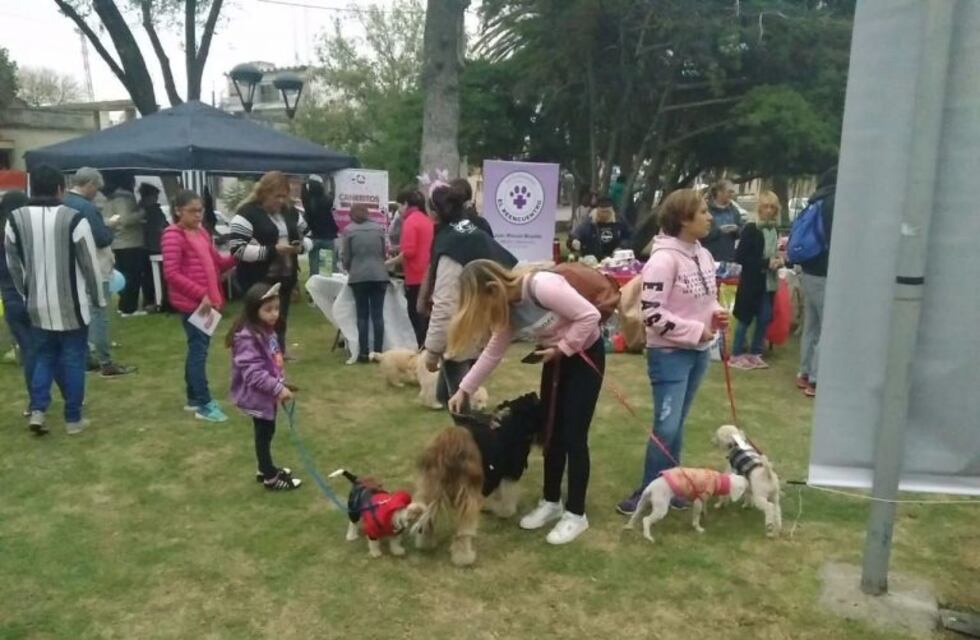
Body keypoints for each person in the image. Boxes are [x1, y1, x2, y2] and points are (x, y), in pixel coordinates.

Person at [446, 260, 604, 545]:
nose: (486, 314)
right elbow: (493, 352)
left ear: (494, 288)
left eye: (483, 305)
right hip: (554, 359)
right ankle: (551, 501)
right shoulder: (508, 309)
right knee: (551, 431)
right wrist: (464, 389)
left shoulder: (541, 287)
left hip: (584, 356)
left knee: (574, 436)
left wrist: (563, 348)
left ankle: (576, 513)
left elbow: (589, 316)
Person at [616, 189, 728, 515]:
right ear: (683, 219)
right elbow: (652, 315)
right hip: (669, 355)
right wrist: (695, 331)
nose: (710, 217)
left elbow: (706, 300)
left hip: (698, 352)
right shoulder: (662, 260)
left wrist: (716, 314)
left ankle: (673, 486)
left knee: (678, 424)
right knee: (666, 427)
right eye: (704, 212)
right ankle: (648, 493)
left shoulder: (703, 254)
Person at [4, 165, 105, 435]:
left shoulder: (15, 219)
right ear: (60, 189)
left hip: (36, 304)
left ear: (32, 188)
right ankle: (73, 419)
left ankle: (38, 410)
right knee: (72, 358)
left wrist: (25, 292)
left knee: (43, 357)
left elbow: (12, 263)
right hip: (71, 304)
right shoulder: (73, 218)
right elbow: (89, 264)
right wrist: (98, 298)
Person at [420, 182, 516, 405]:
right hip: (486, 319)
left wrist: (432, 351)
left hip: (466, 326)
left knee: (461, 406)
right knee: (447, 396)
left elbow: (445, 303)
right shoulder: (473, 231)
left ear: (433, 212)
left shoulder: (451, 244)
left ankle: (471, 433)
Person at [162, 190, 237, 423]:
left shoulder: (202, 232)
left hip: (210, 301)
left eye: (200, 210)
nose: (197, 215)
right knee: (199, 351)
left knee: (198, 348)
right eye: (192, 211)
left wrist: (238, 255)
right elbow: (171, 273)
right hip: (193, 304)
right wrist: (200, 293)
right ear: (178, 211)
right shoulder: (173, 235)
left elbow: (216, 262)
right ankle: (203, 404)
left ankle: (193, 398)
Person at [227, 282, 302, 491]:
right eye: (268, 310)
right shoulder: (247, 338)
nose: (274, 314)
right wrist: (277, 389)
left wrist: (280, 383)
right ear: (254, 310)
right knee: (264, 432)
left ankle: (264, 467)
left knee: (267, 432)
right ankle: (269, 477)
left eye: (276, 308)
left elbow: (271, 361)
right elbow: (253, 374)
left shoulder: (266, 331)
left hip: (267, 394)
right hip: (257, 396)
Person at [229, 171, 310, 358]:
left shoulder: (290, 212)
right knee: (257, 318)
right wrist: (272, 251)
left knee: (280, 316)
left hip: (286, 275)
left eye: (284, 196)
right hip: (258, 279)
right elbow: (238, 250)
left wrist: (301, 247)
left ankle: (279, 350)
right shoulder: (246, 214)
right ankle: (254, 353)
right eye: (277, 196)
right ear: (264, 193)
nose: (281, 201)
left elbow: (307, 235)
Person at [65, 168, 134, 377]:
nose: (98, 193)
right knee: (98, 312)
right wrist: (111, 227)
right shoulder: (87, 207)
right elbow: (102, 239)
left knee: (79, 314)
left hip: (72, 266)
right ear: (90, 185)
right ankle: (106, 362)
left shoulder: (64, 203)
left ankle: (85, 358)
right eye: (97, 188)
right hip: (95, 267)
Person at [730, 190, 784, 370]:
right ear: (759, 208)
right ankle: (736, 353)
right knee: (745, 318)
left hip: (768, 282)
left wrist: (778, 260)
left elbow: (772, 252)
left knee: (765, 317)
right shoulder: (752, 229)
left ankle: (755, 352)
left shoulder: (773, 230)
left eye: (772, 208)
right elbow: (741, 257)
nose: (769, 211)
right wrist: (765, 263)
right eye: (766, 207)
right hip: (752, 281)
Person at [795, 167, 836, 398]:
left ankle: (803, 371)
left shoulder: (815, 201)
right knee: (826, 326)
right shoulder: (833, 202)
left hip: (808, 268)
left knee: (811, 326)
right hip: (824, 269)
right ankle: (816, 379)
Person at [341, 203, 388, 363]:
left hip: (358, 276)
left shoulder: (349, 231)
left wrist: (350, 268)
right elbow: (384, 253)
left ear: (352, 215)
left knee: (362, 316)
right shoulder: (379, 229)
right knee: (378, 315)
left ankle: (363, 352)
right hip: (379, 275)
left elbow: (346, 257)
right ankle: (379, 352)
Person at [385, 189, 433, 347]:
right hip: (428, 272)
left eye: (399, 206)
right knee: (427, 313)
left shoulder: (410, 221)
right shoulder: (427, 220)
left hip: (415, 274)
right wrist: (398, 248)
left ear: (406, 204)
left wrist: (390, 262)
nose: (399, 210)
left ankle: (421, 345)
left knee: (415, 313)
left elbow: (410, 252)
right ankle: (426, 344)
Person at [0, 189, 32, 415]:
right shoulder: (27, 231)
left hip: (10, 296)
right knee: (51, 349)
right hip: (36, 293)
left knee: (29, 350)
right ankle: (71, 398)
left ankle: (36, 401)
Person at [103, 173, 147, 316]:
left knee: (122, 276)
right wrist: (141, 212)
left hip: (116, 242)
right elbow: (126, 219)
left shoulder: (109, 198)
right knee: (133, 276)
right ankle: (130, 308)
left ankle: (123, 306)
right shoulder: (125, 197)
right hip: (130, 242)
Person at [567, 196, 631, 260]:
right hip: (593, 260)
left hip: (615, 260)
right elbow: (575, 235)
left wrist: (621, 247)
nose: (604, 215)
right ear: (597, 211)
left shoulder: (619, 222)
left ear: (612, 211)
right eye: (602, 212)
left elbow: (628, 237)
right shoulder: (589, 223)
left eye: (607, 212)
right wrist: (573, 241)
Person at [139, 182, 169, 311]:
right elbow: (162, 227)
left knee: (148, 276)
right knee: (154, 276)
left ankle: (150, 300)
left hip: (146, 246)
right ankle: (156, 299)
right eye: (155, 196)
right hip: (154, 246)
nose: (156, 199)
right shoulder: (152, 211)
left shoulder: (140, 209)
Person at [301, 175, 339, 277]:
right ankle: (325, 286)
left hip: (313, 237)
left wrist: (304, 181)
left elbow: (303, 194)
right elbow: (333, 192)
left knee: (313, 264)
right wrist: (331, 179)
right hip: (327, 237)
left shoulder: (308, 203)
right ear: (321, 188)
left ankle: (313, 285)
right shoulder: (327, 202)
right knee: (327, 267)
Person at [703, 179, 743, 264]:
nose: (732, 195)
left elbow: (742, 232)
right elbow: (701, 235)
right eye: (729, 192)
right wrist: (719, 231)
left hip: (729, 258)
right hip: (709, 258)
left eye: (733, 192)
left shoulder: (734, 211)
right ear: (719, 192)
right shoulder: (707, 210)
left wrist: (736, 230)